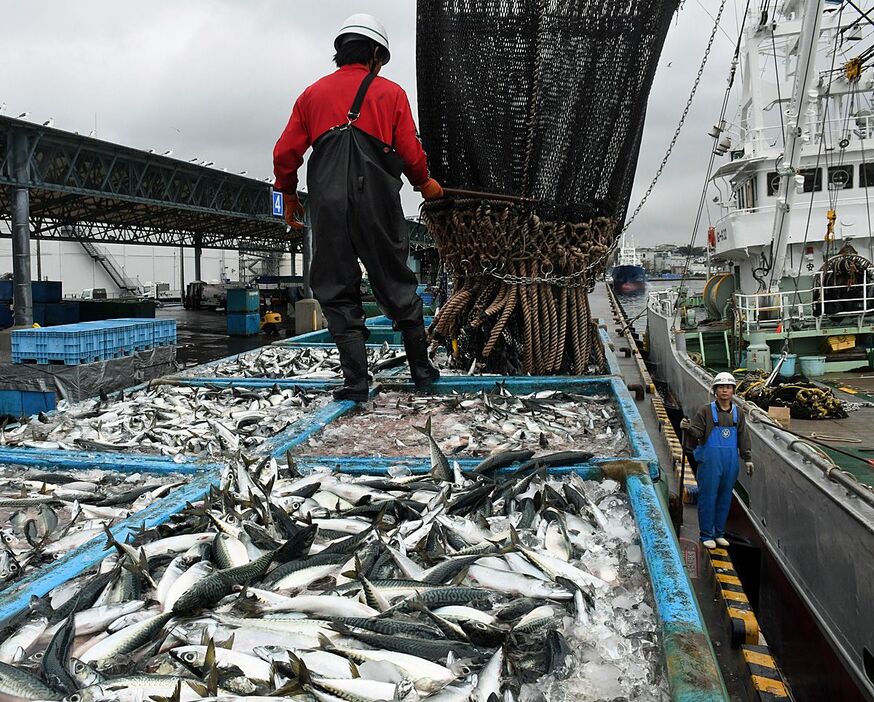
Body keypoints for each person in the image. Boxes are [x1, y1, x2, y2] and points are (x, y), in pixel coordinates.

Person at [273, 13, 444, 402]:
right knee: (396, 279)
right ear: (376, 55)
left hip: (329, 203)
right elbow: (410, 151)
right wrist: (424, 182)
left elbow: (285, 153)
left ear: (340, 53)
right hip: (377, 201)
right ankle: (421, 372)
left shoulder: (311, 95)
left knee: (334, 285)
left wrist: (288, 192)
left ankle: (356, 383)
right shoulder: (390, 93)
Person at [680, 372, 754, 550]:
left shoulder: (739, 414)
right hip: (710, 462)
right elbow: (697, 434)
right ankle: (706, 534)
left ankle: (719, 533)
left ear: (733, 391)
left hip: (730, 463)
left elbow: (744, 437)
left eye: (728, 387)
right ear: (715, 390)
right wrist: (688, 428)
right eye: (721, 387)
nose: (725, 390)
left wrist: (748, 458)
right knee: (708, 497)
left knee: (725, 498)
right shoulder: (705, 411)